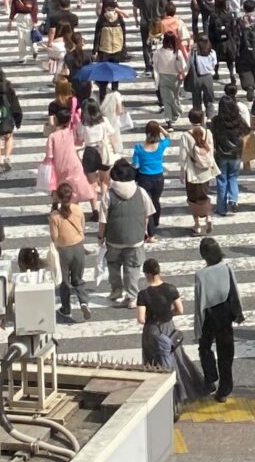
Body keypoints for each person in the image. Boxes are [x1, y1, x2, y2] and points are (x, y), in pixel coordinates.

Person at [98, 158, 154, 309]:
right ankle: (132, 297)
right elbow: (147, 214)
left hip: (114, 238)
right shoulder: (140, 191)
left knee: (113, 265)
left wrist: (100, 236)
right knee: (132, 268)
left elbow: (103, 220)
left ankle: (116, 291)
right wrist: (144, 230)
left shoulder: (109, 195)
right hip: (135, 238)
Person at [193, 236, 243, 403]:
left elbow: (199, 302)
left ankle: (210, 379)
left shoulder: (200, 275)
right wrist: (238, 312)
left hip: (209, 315)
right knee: (226, 352)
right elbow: (234, 291)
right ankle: (224, 389)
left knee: (204, 348)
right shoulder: (227, 268)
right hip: (225, 313)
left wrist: (197, 326)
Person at [48, 182, 91, 323]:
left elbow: (54, 237)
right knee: (78, 279)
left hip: (64, 250)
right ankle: (83, 302)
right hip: (78, 246)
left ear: (59, 197)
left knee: (64, 282)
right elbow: (83, 227)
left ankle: (66, 308)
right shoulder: (78, 210)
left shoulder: (55, 216)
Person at [210, 95, 250, 217]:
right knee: (233, 177)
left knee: (222, 180)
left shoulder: (216, 121)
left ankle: (221, 208)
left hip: (221, 153)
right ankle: (233, 198)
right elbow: (247, 131)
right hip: (236, 154)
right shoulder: (239, 120)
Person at [131, 121, 172, 242]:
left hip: (144, 178)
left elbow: (135, 165)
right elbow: (169, 137)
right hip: (158, 177)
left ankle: (150, 231)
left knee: (146, 206)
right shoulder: (160, 146)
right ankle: (156, 220)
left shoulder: (139, 147)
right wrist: (160, 128)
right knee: (156, 200)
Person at [153, 31, 186, 128]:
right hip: (175, 77)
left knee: (167, 100)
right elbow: (182, 67)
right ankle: (175, 112)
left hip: (163, 77)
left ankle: (170, 120)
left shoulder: (157, 52)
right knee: (174, 96)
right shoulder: (177, 53)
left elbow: (155, 66)